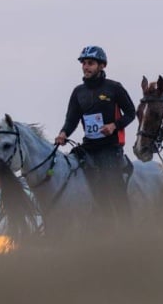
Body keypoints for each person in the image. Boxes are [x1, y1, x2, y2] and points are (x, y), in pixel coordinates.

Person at [54, 45, 136, 227]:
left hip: (110, 147)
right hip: (88, 146)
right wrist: (63, 133)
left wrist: (114, 125)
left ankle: (127, 228)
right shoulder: (78, 92)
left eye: (90, 63)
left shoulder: (114, 88)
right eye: (83, 63)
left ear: (102, 66)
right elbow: (71, 119)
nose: (85, 67)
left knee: (113, 188)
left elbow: (131, 113)